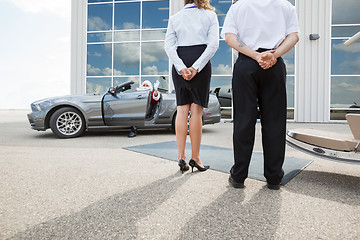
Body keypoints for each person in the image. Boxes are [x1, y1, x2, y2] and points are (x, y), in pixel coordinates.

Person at [221, 0, 299, 189]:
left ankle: (239, 176)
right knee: (274, 122)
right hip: (274, 64)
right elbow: (294, 36)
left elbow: (230, 37)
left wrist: (255, 56)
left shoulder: (239, 6)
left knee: (243, 120)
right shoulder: (286, 5)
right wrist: (274, 54)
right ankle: (273, 178)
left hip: (246, 64)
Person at [164, 0, 219, 173]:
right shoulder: (210, 15)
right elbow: (213, 45)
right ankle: (196, 158)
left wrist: (181, 67)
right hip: (200, 61)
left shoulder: (175, 17)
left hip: (180, 59)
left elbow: (169, 46)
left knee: (182, 109)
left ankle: (181, 156)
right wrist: (196, 67)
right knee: (196, 110)